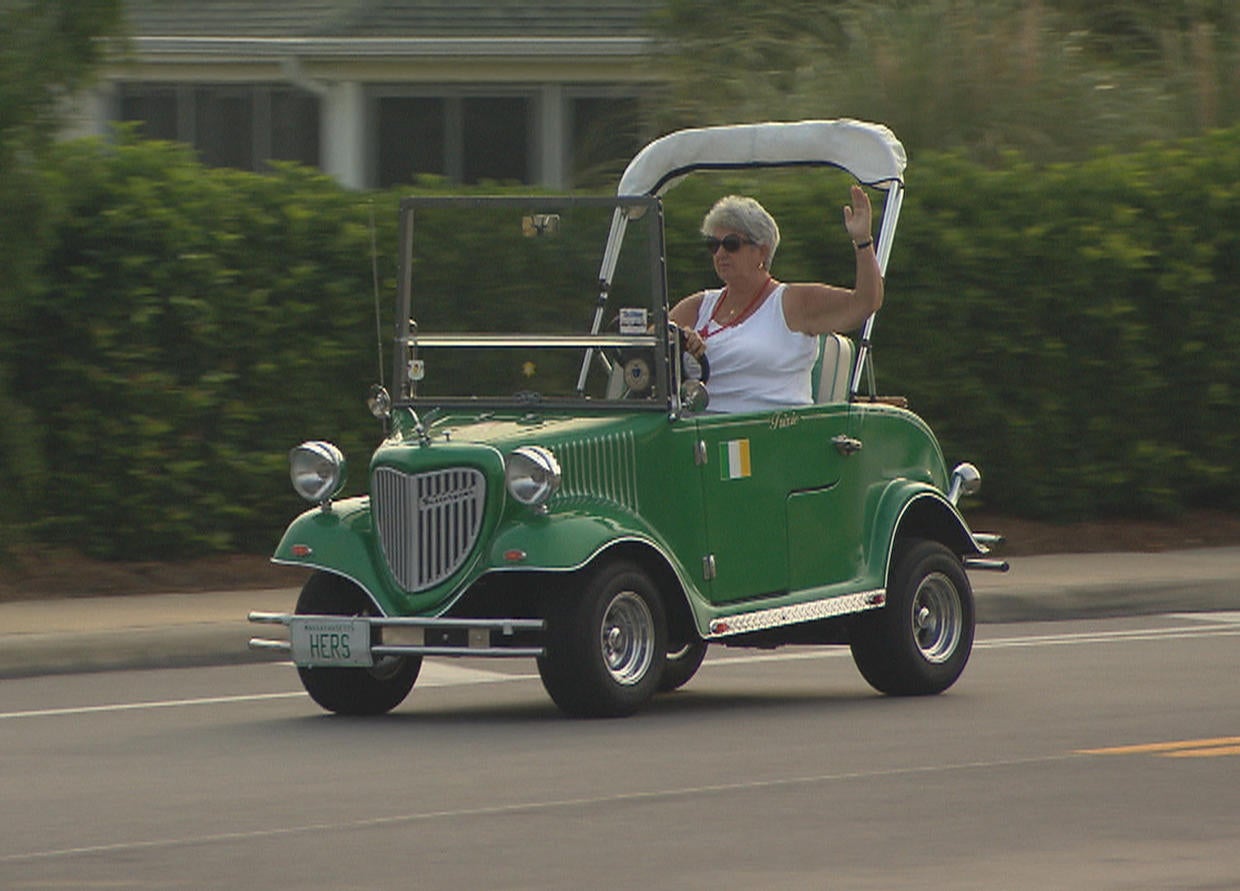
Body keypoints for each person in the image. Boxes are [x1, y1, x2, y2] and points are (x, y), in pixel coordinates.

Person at [669, 186, 883, 413]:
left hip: (772, 435)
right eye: (713, 245)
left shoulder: (792, 302)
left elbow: (865, 303)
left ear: (761, 251)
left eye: (731, 244)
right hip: (697, 432)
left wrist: (863, 242)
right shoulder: (698, 306)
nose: (720, 253)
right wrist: (678, 338)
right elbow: (646, 346)